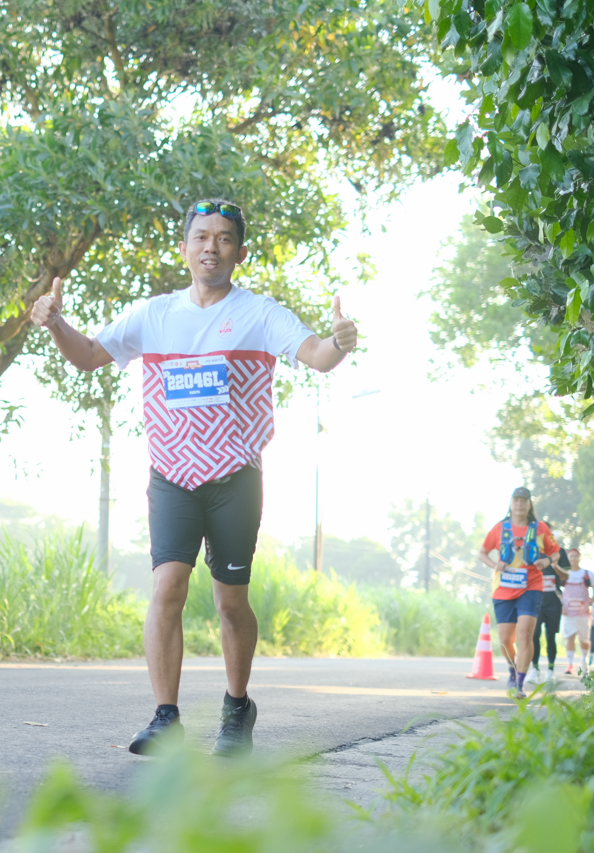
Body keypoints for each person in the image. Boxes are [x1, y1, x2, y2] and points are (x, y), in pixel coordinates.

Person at [31, 198, 357, 756]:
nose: (212, 247)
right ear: (184, 249)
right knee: (167, 588)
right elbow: (87, 356)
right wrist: (56, 322)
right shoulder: (154, 315)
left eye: (224, 239)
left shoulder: (259, 314)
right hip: (172, 474)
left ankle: (237, 707)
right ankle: (165, 717)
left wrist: (339, 343)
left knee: (230, 602)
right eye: (201, 237)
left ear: (240, 253)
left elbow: (317, 355)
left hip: (236, 476)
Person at [477, 486, 560, 699]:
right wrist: (494, 565)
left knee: (525, 634)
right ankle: (512, 669)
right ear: (511, 503)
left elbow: (555, 552)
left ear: (530, 504)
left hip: (531, 587)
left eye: (524, 500)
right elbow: (482, 552)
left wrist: (546, 561)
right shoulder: (500, 527)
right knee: (506, 639)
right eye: (516, 500)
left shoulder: (540, 528)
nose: (520, 504)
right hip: (503, 589)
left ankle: (520, 684)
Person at [529, 547, 566, 684]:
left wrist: (556, 567)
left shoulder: (558, 553)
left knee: (551, 637)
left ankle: (550, 670)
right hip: (536, 603)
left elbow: (567, 577)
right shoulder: (531, 552)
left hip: (553, 604)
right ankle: (535, 669)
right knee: (534, 636)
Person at [559, 548, 594, 675]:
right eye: (571, 556)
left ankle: (585, 661)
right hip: (568, 612)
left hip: (583, 612)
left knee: (584, 639)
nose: (573, 558)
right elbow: (558, 590)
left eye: (576, 556)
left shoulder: (587, 574)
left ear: (580, 558)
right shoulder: (564, 573)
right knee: (569, 637)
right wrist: (562, 605)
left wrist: (590, 604)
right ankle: (570, 665)